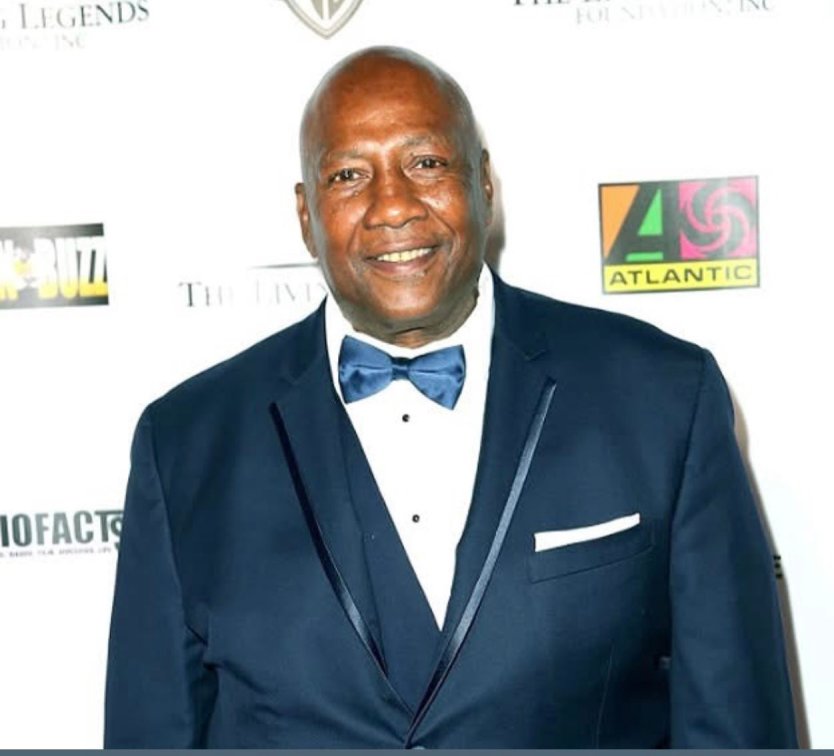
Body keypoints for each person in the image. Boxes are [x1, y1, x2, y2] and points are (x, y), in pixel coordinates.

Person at [104, 46, 797, 748]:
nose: (393, 206)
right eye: (348, 175)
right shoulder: (185, 443)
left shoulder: (663, 398)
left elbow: (737, 725)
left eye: (426, 163)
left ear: (485, 184)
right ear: (306, 216)